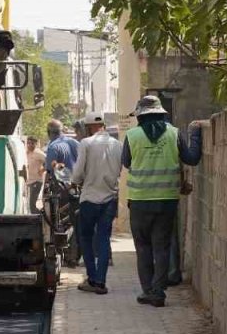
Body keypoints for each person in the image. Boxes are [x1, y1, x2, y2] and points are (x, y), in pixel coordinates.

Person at [122, 96, 202, 307]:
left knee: (143, 248)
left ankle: (148, 290)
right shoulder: (174, 133)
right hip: (167, 201)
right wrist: (195, 134)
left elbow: (127, 162)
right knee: (161, 247)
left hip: (140, 201)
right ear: (162, 113)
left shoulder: (132, 135)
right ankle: (158, 292)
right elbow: (192, 158)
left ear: (140, 116)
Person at [70, 113, 122, 295]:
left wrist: (75, 180)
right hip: (109, 199)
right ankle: (101, 281)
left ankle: (92, 278)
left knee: (85, 237)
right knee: (103, 239)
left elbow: (77, 174)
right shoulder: (118, 144)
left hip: (89, 198)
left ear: (89, 127)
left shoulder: (86, 143)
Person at [25, 136, 46, 214]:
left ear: (36, 144)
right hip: (28, 182)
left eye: (32, 143)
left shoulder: (39, 153)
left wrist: (42, 170)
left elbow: (48, 161)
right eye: (28, 143)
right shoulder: (26, 153)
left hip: (36, 181)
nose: (30, 145)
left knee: (32, 205)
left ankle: (41, 219)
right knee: (29, 205)